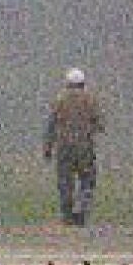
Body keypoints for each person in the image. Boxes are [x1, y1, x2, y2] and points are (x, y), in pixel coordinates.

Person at [43, 68, 104, 227]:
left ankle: (67, 215)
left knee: (65, 182)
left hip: (64, 147)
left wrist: (48, 147)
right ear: (83, 83)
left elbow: (51, 125)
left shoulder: (59, 100)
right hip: (85, 147)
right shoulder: (91, 100)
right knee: (87, 181)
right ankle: (81, 211)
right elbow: (100, 124)